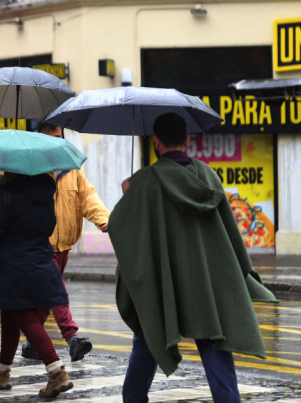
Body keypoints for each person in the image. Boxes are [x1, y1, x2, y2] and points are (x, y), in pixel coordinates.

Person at [109, 113, 278, 403]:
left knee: (151, 337)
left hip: (164, 285)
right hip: (206, 283)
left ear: (156, 142)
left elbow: (120, 229)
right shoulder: (208, 175)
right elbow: (228, 230)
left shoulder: (146, 181)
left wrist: (128, 194)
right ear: (187, 140)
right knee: (216, 349)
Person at [0, 172, 74, 398]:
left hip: (13, 267)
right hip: (41, 263)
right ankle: (1, 373)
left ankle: (56, 370)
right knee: (10, 317)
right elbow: (48, 228)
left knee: (25, 317)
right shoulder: (47, 196)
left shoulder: (6, 197)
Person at [22, 122, 109, 362]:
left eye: (59, 137)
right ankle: (72, 338)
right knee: (56, 289)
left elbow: (88, 197)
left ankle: (31, 342)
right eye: (50, 138)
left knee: (46, 297)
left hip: (64, 245)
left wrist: (103, 220)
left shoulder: (72, 168)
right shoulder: (30, 170)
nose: (56, 142)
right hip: (40, 244)